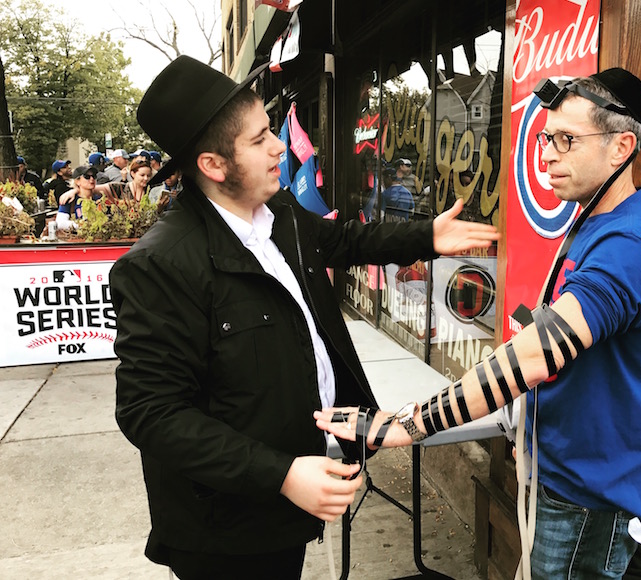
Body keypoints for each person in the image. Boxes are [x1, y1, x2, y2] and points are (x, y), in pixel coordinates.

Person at [111, 55, 499, 580]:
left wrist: (425, 237)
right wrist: (282, 474)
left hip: (289, 500)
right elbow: (151, 413)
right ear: (213, 165)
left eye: (271, 130)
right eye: (259, 139)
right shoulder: (160, 265)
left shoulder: (280, 214)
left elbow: (341, 240)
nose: (278, 148)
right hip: (225, 530)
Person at [316, 68, 641, 579]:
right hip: (562, 483)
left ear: (621, 146)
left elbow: (537, 355)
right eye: (544, 138)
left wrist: (407, 424)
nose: (548, 154)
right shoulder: (593, 223)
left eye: (566, 139)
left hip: (592, 504)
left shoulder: (631, 246)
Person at [55, 165, 98, 231]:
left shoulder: (100, 199)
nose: (92, 179)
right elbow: (60, 223)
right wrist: (81, 225)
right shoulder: (70, 199)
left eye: (94, 176)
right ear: (77, 181)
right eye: (87, 177)